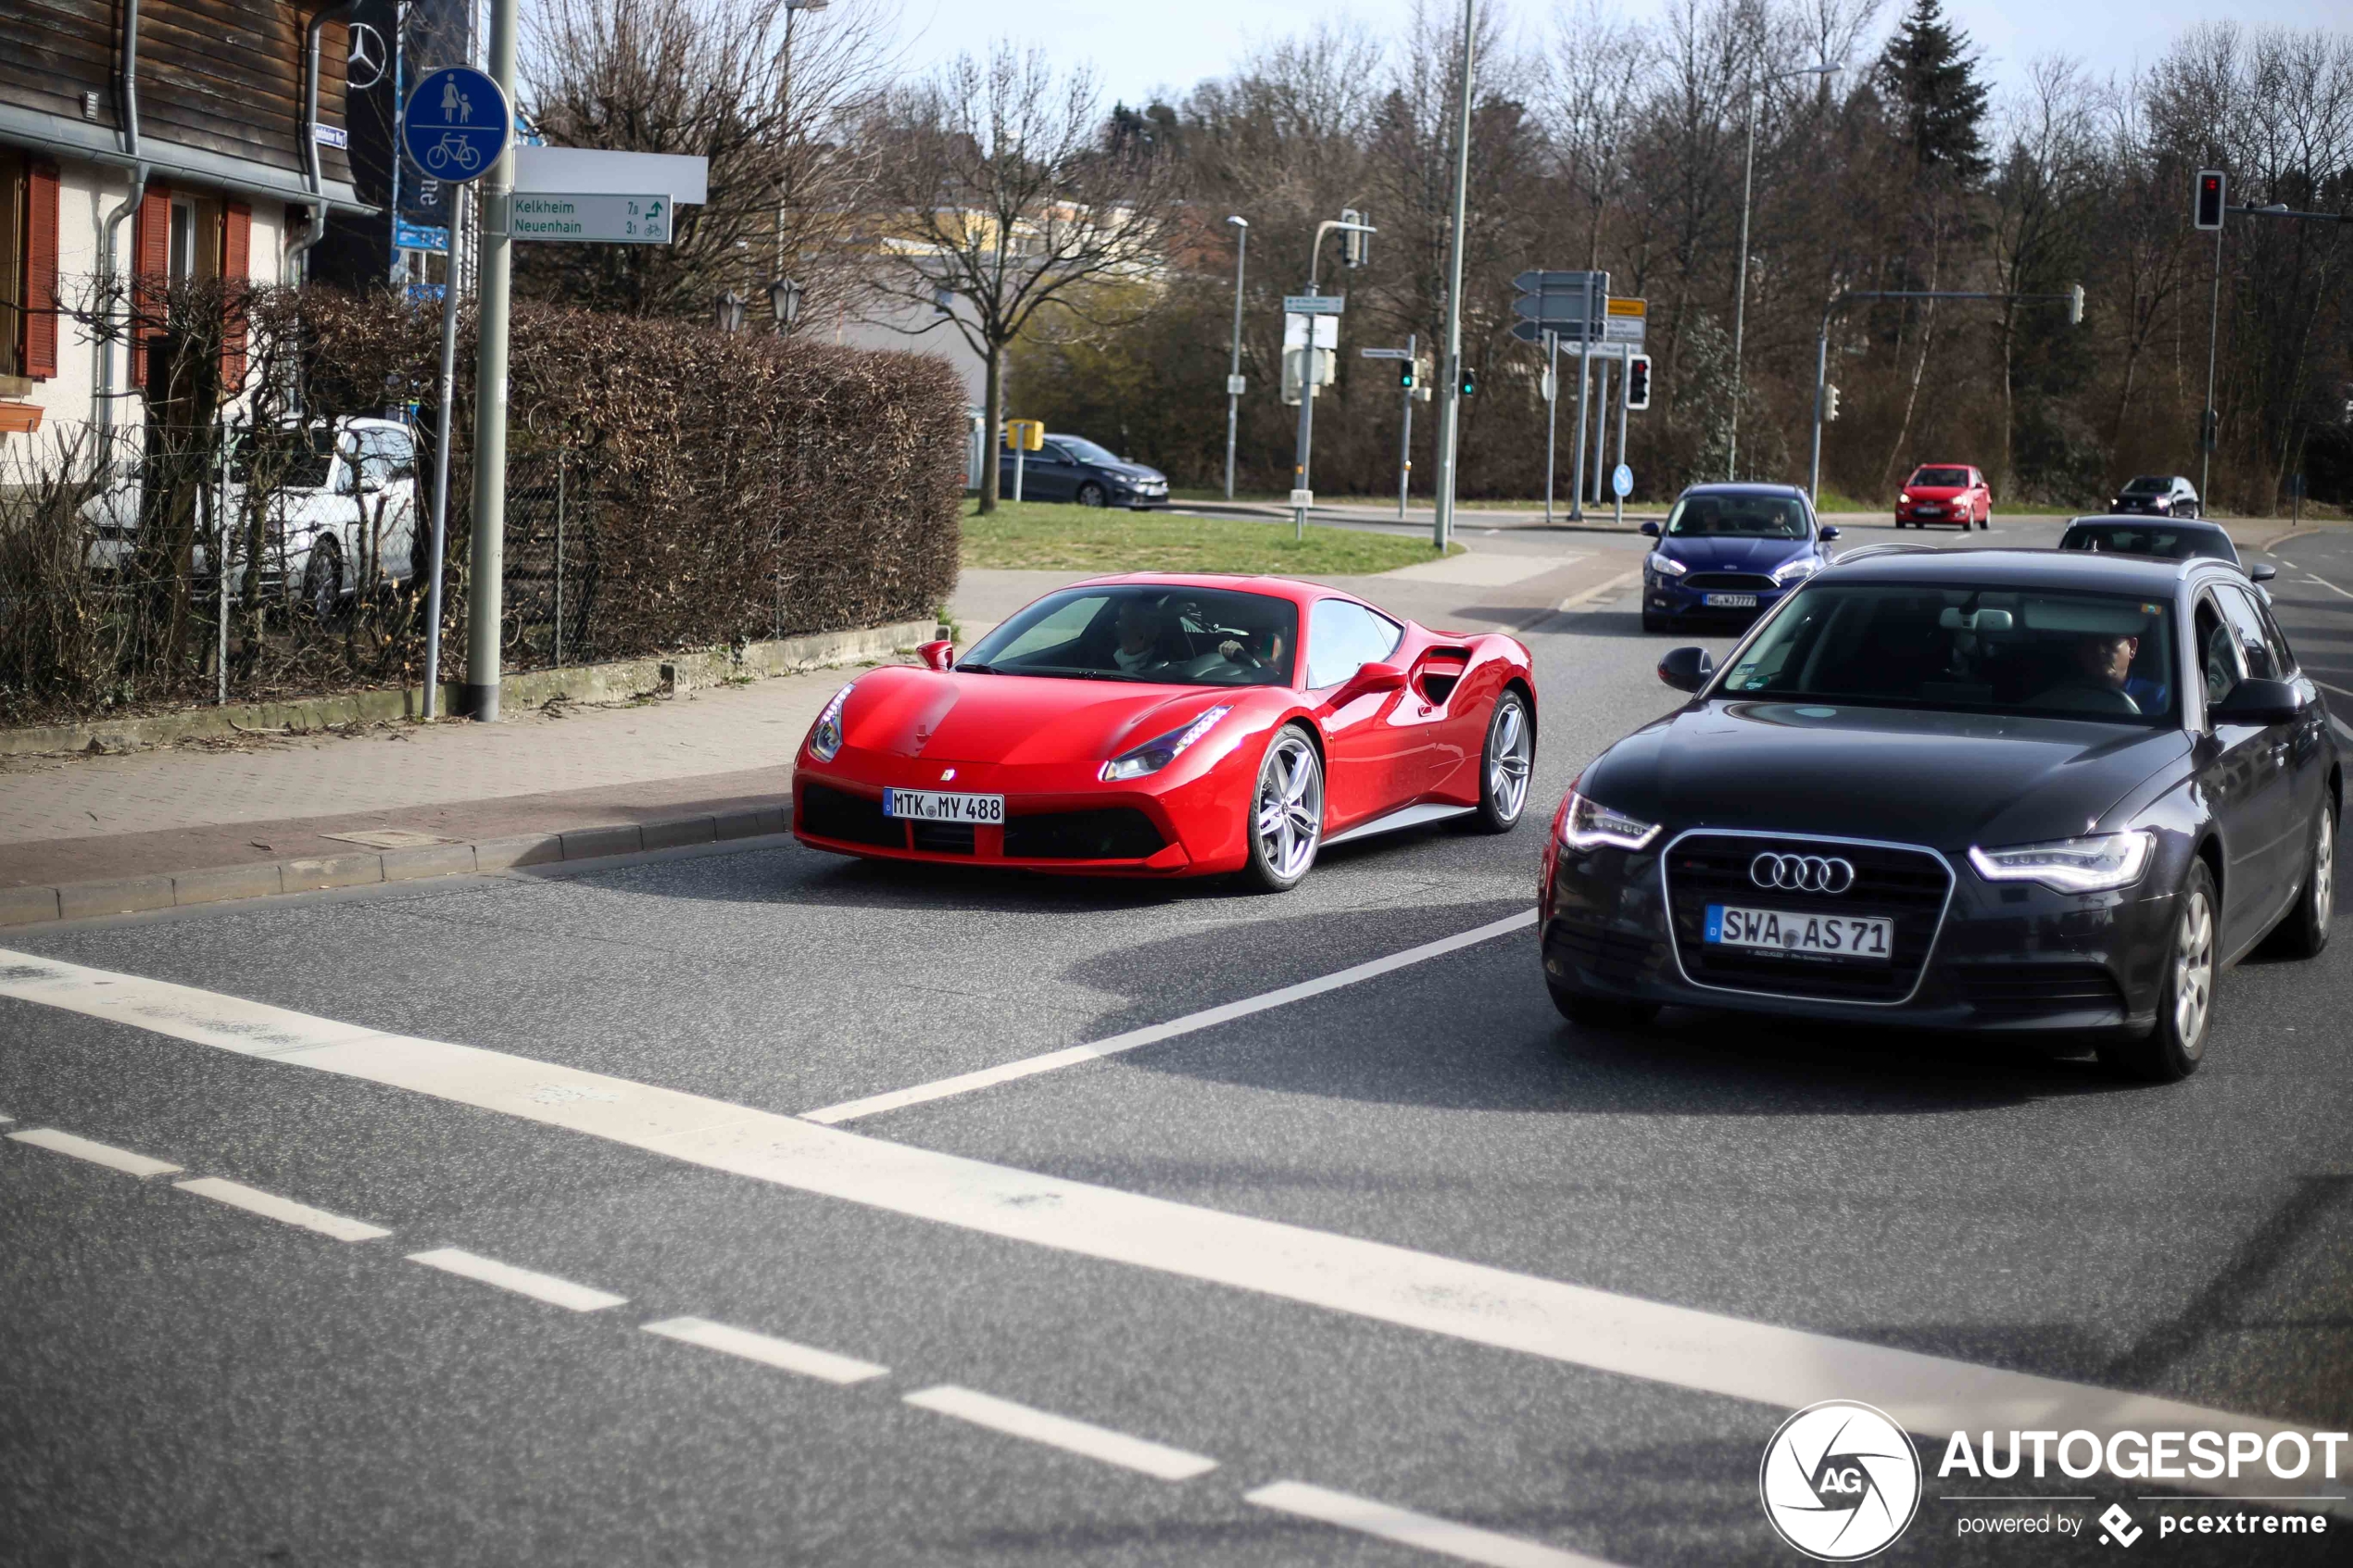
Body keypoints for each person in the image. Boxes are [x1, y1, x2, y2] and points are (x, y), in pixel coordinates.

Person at [2035, 631, 2142, 714]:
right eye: (2090, 643)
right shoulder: (2059, 699)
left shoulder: (2155, 699)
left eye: (2110, 640)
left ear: (2132, 647)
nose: (2099, 650)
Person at [1110, 598, 1167, 674]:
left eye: (1125, 619)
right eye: (1120, 619)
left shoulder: (1158, 668)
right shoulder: (1111, 659)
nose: (1117, 624)